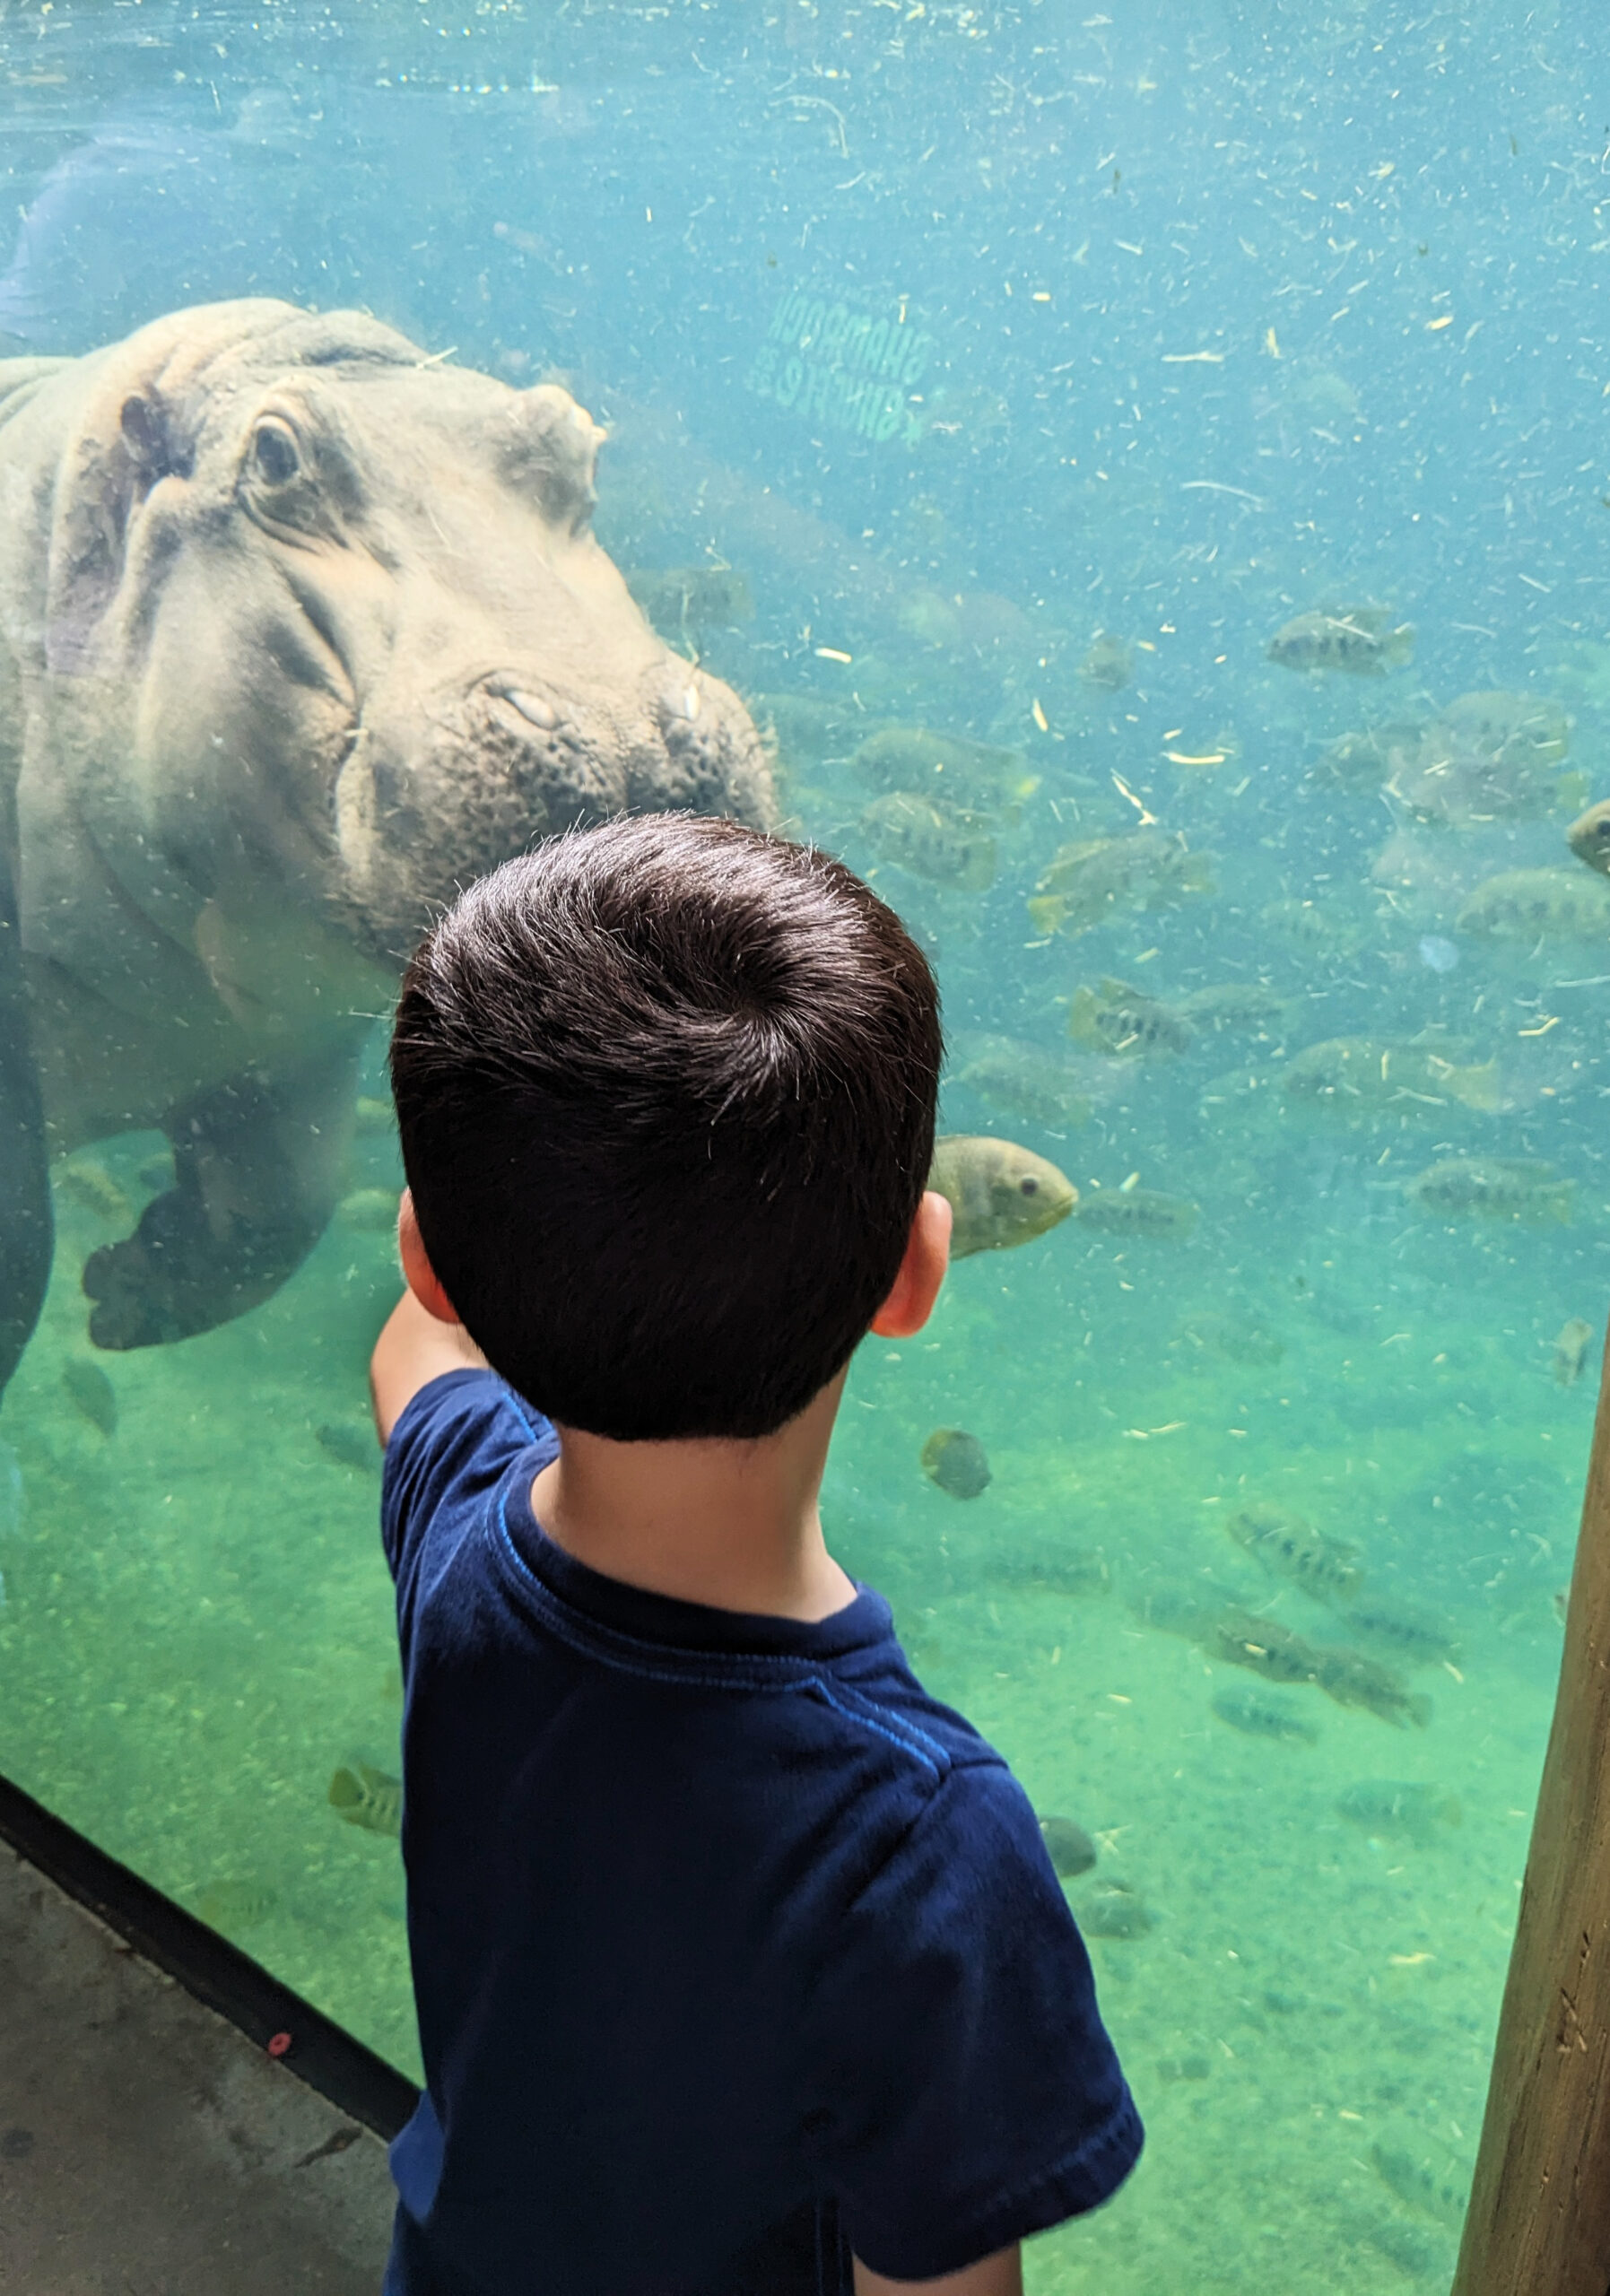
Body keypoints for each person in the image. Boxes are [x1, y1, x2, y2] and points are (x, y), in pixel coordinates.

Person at [370, 813, 1142, 2296]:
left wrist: (490, 1180)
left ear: (423, 1252)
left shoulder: (455, 1533)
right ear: (920, 1273)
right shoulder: (928, 1840)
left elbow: (422, 1351)